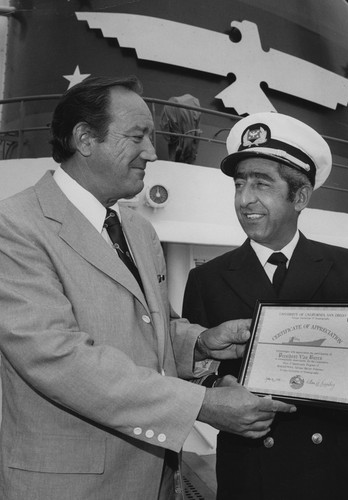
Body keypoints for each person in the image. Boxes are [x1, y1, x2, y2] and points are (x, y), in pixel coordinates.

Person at [0, 78, 296, 500]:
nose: (152, 153)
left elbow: (145, 328)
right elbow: (58, 358)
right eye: (137, 136)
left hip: (156, 480)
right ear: (85, 138)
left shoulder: (138, 229)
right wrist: (201, 405)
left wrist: (200, 343)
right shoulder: (14, 226)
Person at [182, 112, 348, 500]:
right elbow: (192, 369)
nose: (245, 199)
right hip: (253, 473)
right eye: (240, 184)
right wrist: (218, 390)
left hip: (339, 474)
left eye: (261, 184)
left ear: (300, 196)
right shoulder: (207, 278)